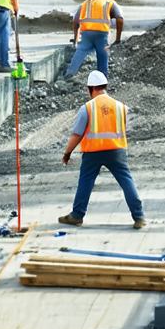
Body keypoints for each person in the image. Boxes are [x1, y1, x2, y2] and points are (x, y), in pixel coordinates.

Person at [58, 70, 145, 229]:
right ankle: (139, 216)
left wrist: (67, 153)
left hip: (93, 152)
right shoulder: (121, 107)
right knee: (126, 180)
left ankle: (77, 215)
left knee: (86, 181)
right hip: (117, 151)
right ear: (104, 86)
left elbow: (77, 134)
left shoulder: (87, 108)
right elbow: (125, 129)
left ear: (90, 88)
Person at [65, 0, 124, 76]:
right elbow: (120, 20)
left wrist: (75, 38)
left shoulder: (87, 2)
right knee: (102, 53)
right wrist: (117, 39)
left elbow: (76, 21)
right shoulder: (110, 3)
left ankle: (69, 74)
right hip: (101, 33)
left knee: (80, 51)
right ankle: (102, 77)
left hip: (86, 33)